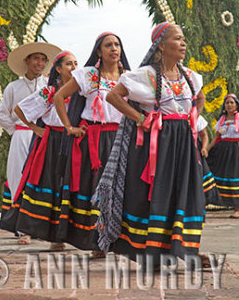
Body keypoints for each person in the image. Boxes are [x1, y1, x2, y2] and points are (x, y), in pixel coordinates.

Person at [94, 22, 206, 268]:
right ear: (161, 46)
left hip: (184, 143)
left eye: (183, 38)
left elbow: (200, 98)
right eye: (177, 39)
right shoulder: (146, 75)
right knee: (156, 194)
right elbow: (113, 96)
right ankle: (152, 253)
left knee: (186, 193)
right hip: (159, 143)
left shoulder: (190, 77)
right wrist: (140, 118)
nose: (183, 43)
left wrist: (194, 116)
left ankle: (187, 250)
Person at [53, 32, 130, 256]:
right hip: (94, 140)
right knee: (95, 189)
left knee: (120, 189)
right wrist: (69, 127)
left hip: (120, 138)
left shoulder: (128, 77)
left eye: (117, 44)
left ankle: (118, 240)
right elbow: (59, 97)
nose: (114, 49)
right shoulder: (87, 75)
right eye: (108, 45)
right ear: (98, 51)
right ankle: (97, 242)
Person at [0, 51, 84, 248]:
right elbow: (20, 109)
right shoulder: (50, 91)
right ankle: (51, 237)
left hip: (73, 141)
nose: (74, 68)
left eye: (76, 63)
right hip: (53, 141)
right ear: (58, 69)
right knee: (52, 186)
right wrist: (35, 128)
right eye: (69, 64)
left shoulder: (80, 92)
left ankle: (67, 235)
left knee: (70, 188)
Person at [0, 42, 61, 203]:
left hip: (45, 137)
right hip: (21, 136)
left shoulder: (50, 87)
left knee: (42, 175)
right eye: (36, 58)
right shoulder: (13, 87)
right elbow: (1, 115)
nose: (39, 63)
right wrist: (17, 130)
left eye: (43, 60)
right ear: (27, 60)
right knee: (18, 173)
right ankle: (17, 216)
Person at [207, 94, 239, 217]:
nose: (229, 105)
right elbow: (216, 137)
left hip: (235, 151)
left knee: (234, 176)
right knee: (217, 175)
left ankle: (237, 209)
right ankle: (213, 201)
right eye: (227, 103)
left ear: (236, 105)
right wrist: (207, 150)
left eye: (232, 102)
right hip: (222, 151)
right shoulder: (222, 120)